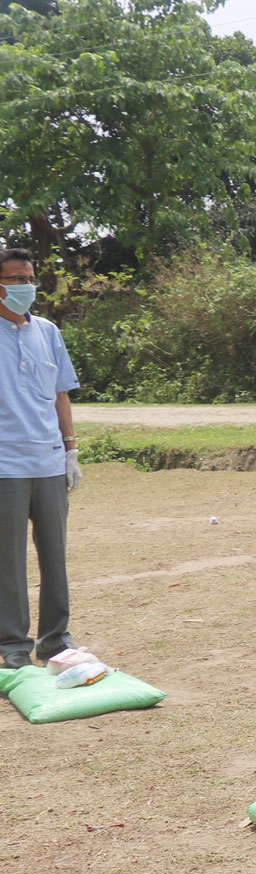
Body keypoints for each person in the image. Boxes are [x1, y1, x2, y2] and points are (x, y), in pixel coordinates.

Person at [0, 248, 80, 667]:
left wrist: (71, 449)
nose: (24, 286)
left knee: (55, 556)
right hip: (5, 466)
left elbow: (61, 393)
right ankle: (13, 646)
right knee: (8, 562)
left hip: (49, 462)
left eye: (29, 278)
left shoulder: (48, 331)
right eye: (14, 279)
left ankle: (56, 640)